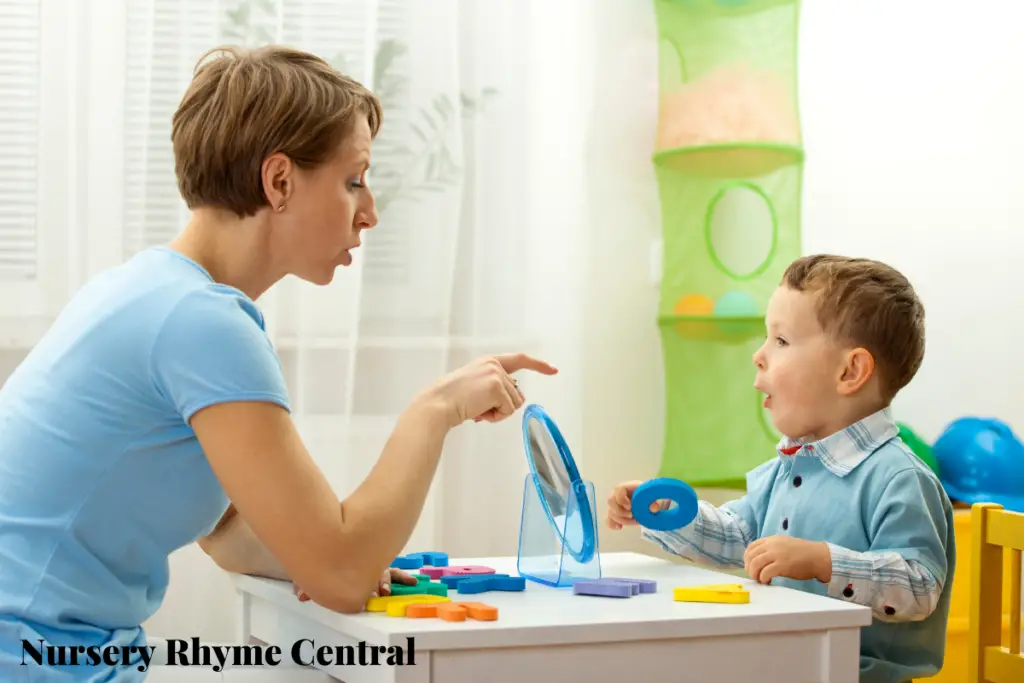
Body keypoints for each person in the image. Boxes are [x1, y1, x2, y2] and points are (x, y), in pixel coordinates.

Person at [0, 44, 557, 681]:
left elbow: (228, 532)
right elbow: (341, 577)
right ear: (280, 181)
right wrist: (433, 411)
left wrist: (325, 557)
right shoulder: (199, 323)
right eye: (353, 181)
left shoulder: (151, 291)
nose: (369, 212)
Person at [607, 255, 955, 683]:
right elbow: (741, 539)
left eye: (782, 341)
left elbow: (919, 587)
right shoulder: (788, 467)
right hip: (788, 664)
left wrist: (822, 561)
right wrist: (670, 513)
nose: (758, 355)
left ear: (850, 371)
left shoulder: (899, 478)